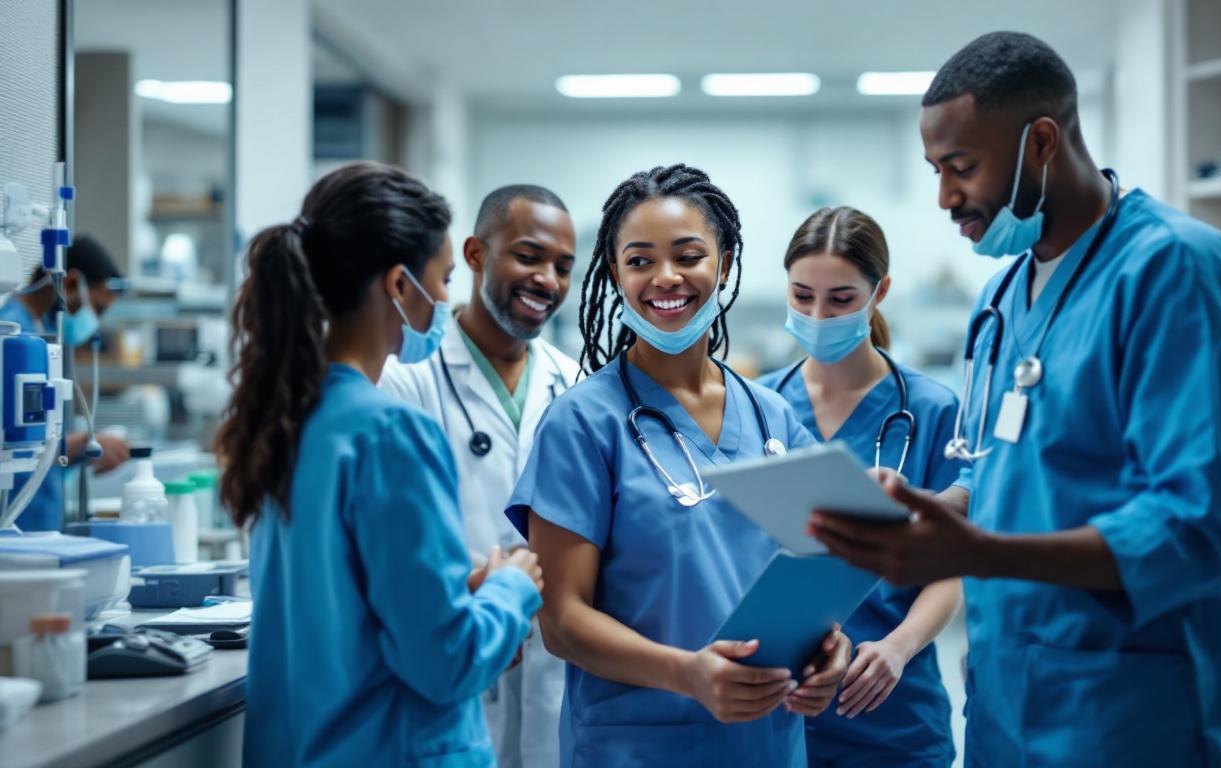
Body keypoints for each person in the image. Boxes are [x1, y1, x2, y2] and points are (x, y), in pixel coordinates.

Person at [807, 32, 1221, 767]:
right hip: (1006, 716)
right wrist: (928, 509)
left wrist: (980, 552)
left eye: (961, 167)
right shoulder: (1001, 298)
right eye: (935, 171)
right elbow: (1010, 473)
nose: (945, 199)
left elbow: (1198, 529)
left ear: (1041, 142)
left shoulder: (1176, 274)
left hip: (1136, 720)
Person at [504, 164, 850, 767]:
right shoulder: (583, 424)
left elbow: (815, 580)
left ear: (724, 261)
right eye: (639, 261)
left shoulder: (773, 419)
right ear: (614, 274)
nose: (665, 277)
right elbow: (561, 621)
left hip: (766, 745)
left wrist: (828, 651)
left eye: (688, 256)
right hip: (639, 745)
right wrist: (686, 674)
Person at [214, 162, 543, 767]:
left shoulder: (287, 422)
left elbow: (339, 602)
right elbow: (446, 663)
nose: (447, 298)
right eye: (443, 278)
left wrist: (454, 581)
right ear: (399, 286)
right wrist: (512, 590)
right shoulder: (390, 433)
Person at [380, 184, 580, 768]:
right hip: (454, 660)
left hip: (554, 674)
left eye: (563, 267)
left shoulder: (576, 385)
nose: (547, 279)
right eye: (529, 256)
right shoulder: (406, 380)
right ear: (474, 254)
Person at [758, 206, 963, 768]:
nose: (818, 315)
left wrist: (898, 648)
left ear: (880, 292)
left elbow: (953, 565)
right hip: (783, 704)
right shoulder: (760, 409)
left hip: (892, 711)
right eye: (802, 296)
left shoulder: (929, 410)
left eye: (841, 299)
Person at [0, 235, 131, 530]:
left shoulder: (46, 332)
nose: (94, 321)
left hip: (38, 518)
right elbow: (13, 437)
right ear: (71, 284)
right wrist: (83, 443)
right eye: (96, 309)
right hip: (13, 517)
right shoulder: (12, 334)